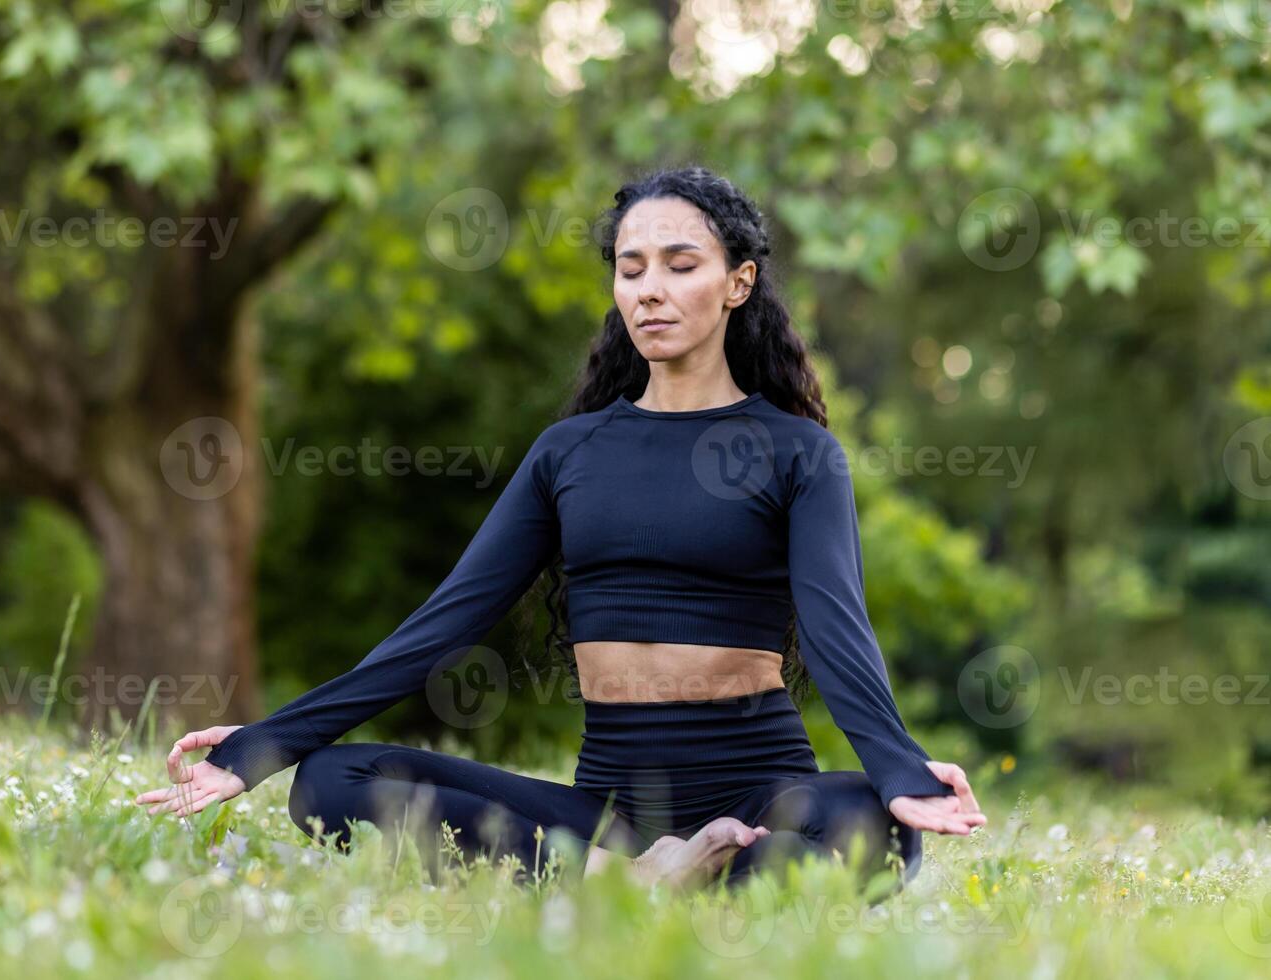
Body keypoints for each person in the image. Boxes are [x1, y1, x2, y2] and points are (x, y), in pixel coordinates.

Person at [135, 165, 986, 891]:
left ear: (738, 282)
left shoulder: (799, 454)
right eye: (630, 268)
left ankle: (678, 870)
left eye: (680, 264)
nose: (649, 288)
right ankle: (647, 875)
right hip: (606, 810)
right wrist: (265, 745)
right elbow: (448, 622)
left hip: (762, 794)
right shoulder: (568, 453)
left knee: (880, 833)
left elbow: (839, 632)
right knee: (332, 781)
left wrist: (900, 771)